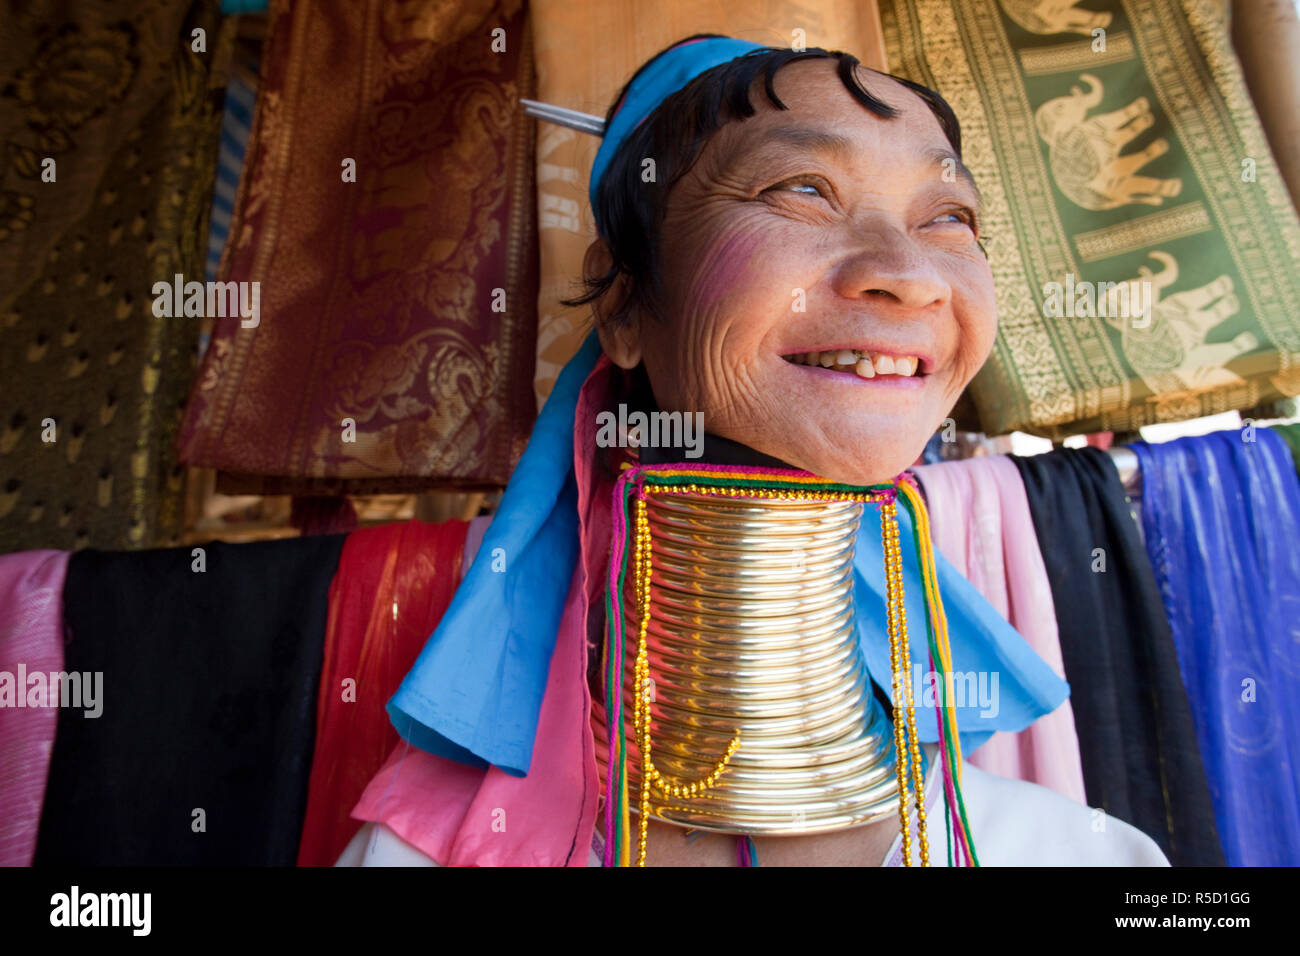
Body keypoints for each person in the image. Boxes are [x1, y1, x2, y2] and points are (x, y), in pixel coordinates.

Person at [338, 34, 1169, 867]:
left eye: (949, 217)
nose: (909, 275)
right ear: (625, 306)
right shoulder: (420, 857)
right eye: (802, 189)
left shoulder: (1083, 857)